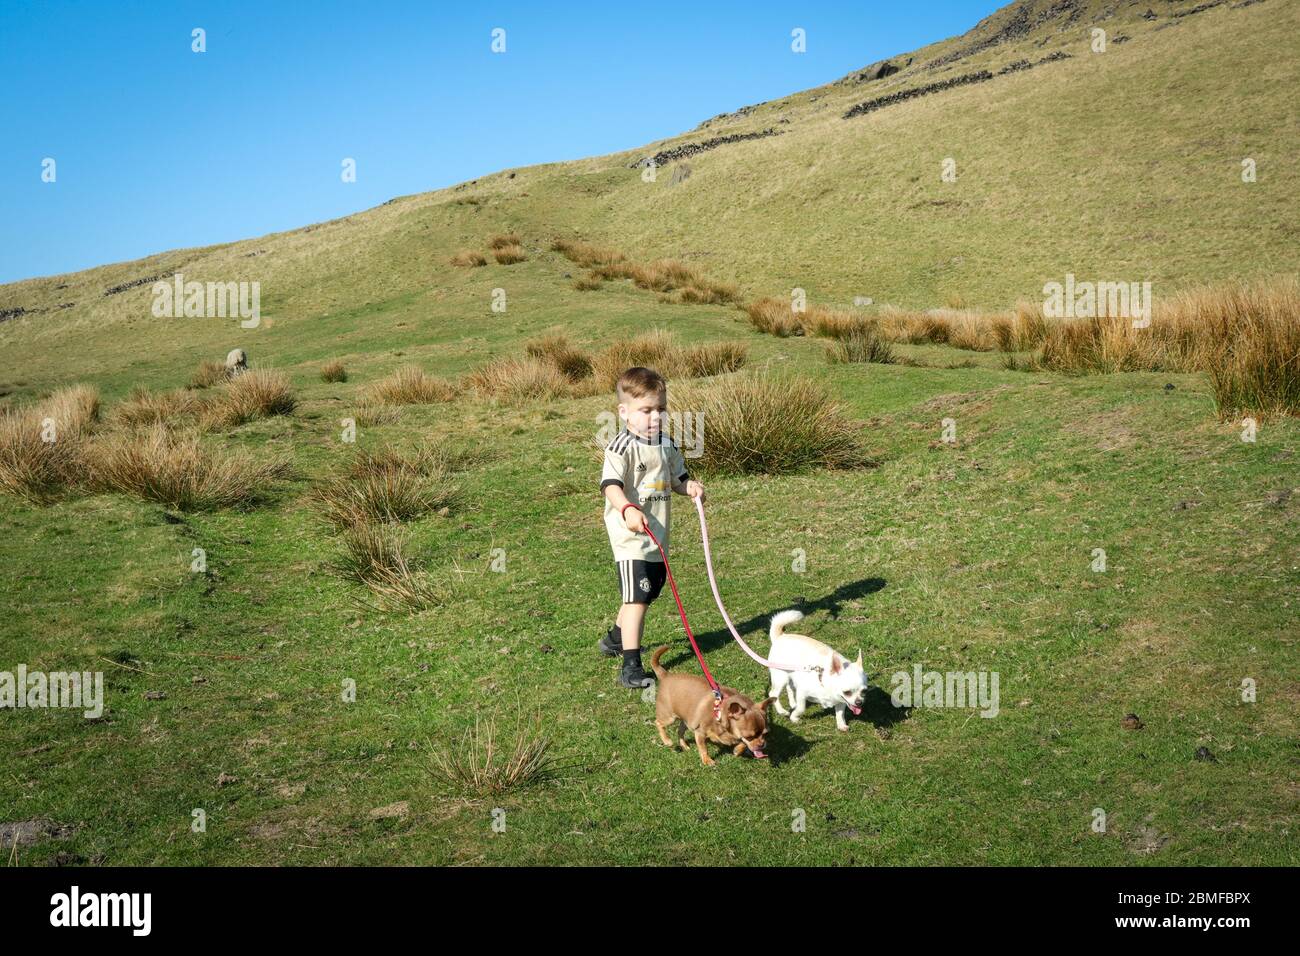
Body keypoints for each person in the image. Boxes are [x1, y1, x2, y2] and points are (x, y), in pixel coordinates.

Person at [598, 366, 705, 688]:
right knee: (638, 599)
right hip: (630, 536)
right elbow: (610, 486)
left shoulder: (666, 443)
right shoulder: (620, 447)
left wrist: (691, 488)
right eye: (646, 411)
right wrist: (627, 509)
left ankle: (615, 638)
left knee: (649, 589)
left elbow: (678, 478)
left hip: (658, 534)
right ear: (624, 412)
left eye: (661, 409)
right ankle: (631, 667)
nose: (655, 417)